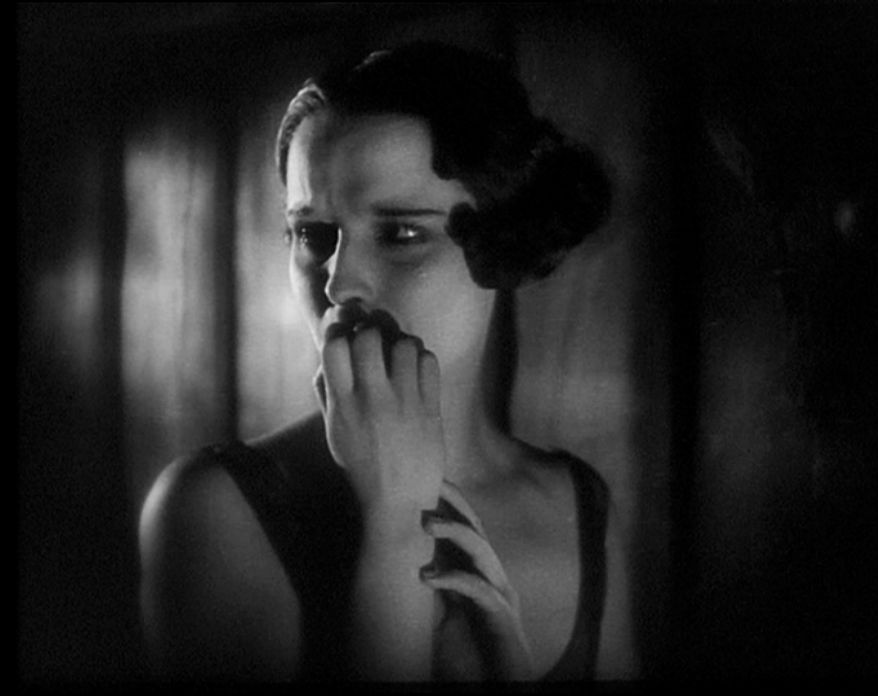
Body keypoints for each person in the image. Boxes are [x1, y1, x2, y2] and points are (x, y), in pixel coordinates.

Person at [139, 41, 636, 682]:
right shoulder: (214, 511)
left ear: (502, 242)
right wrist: (395, 531)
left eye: (401, 234)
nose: (339, 283)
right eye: (312, 234)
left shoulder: (579, 507)